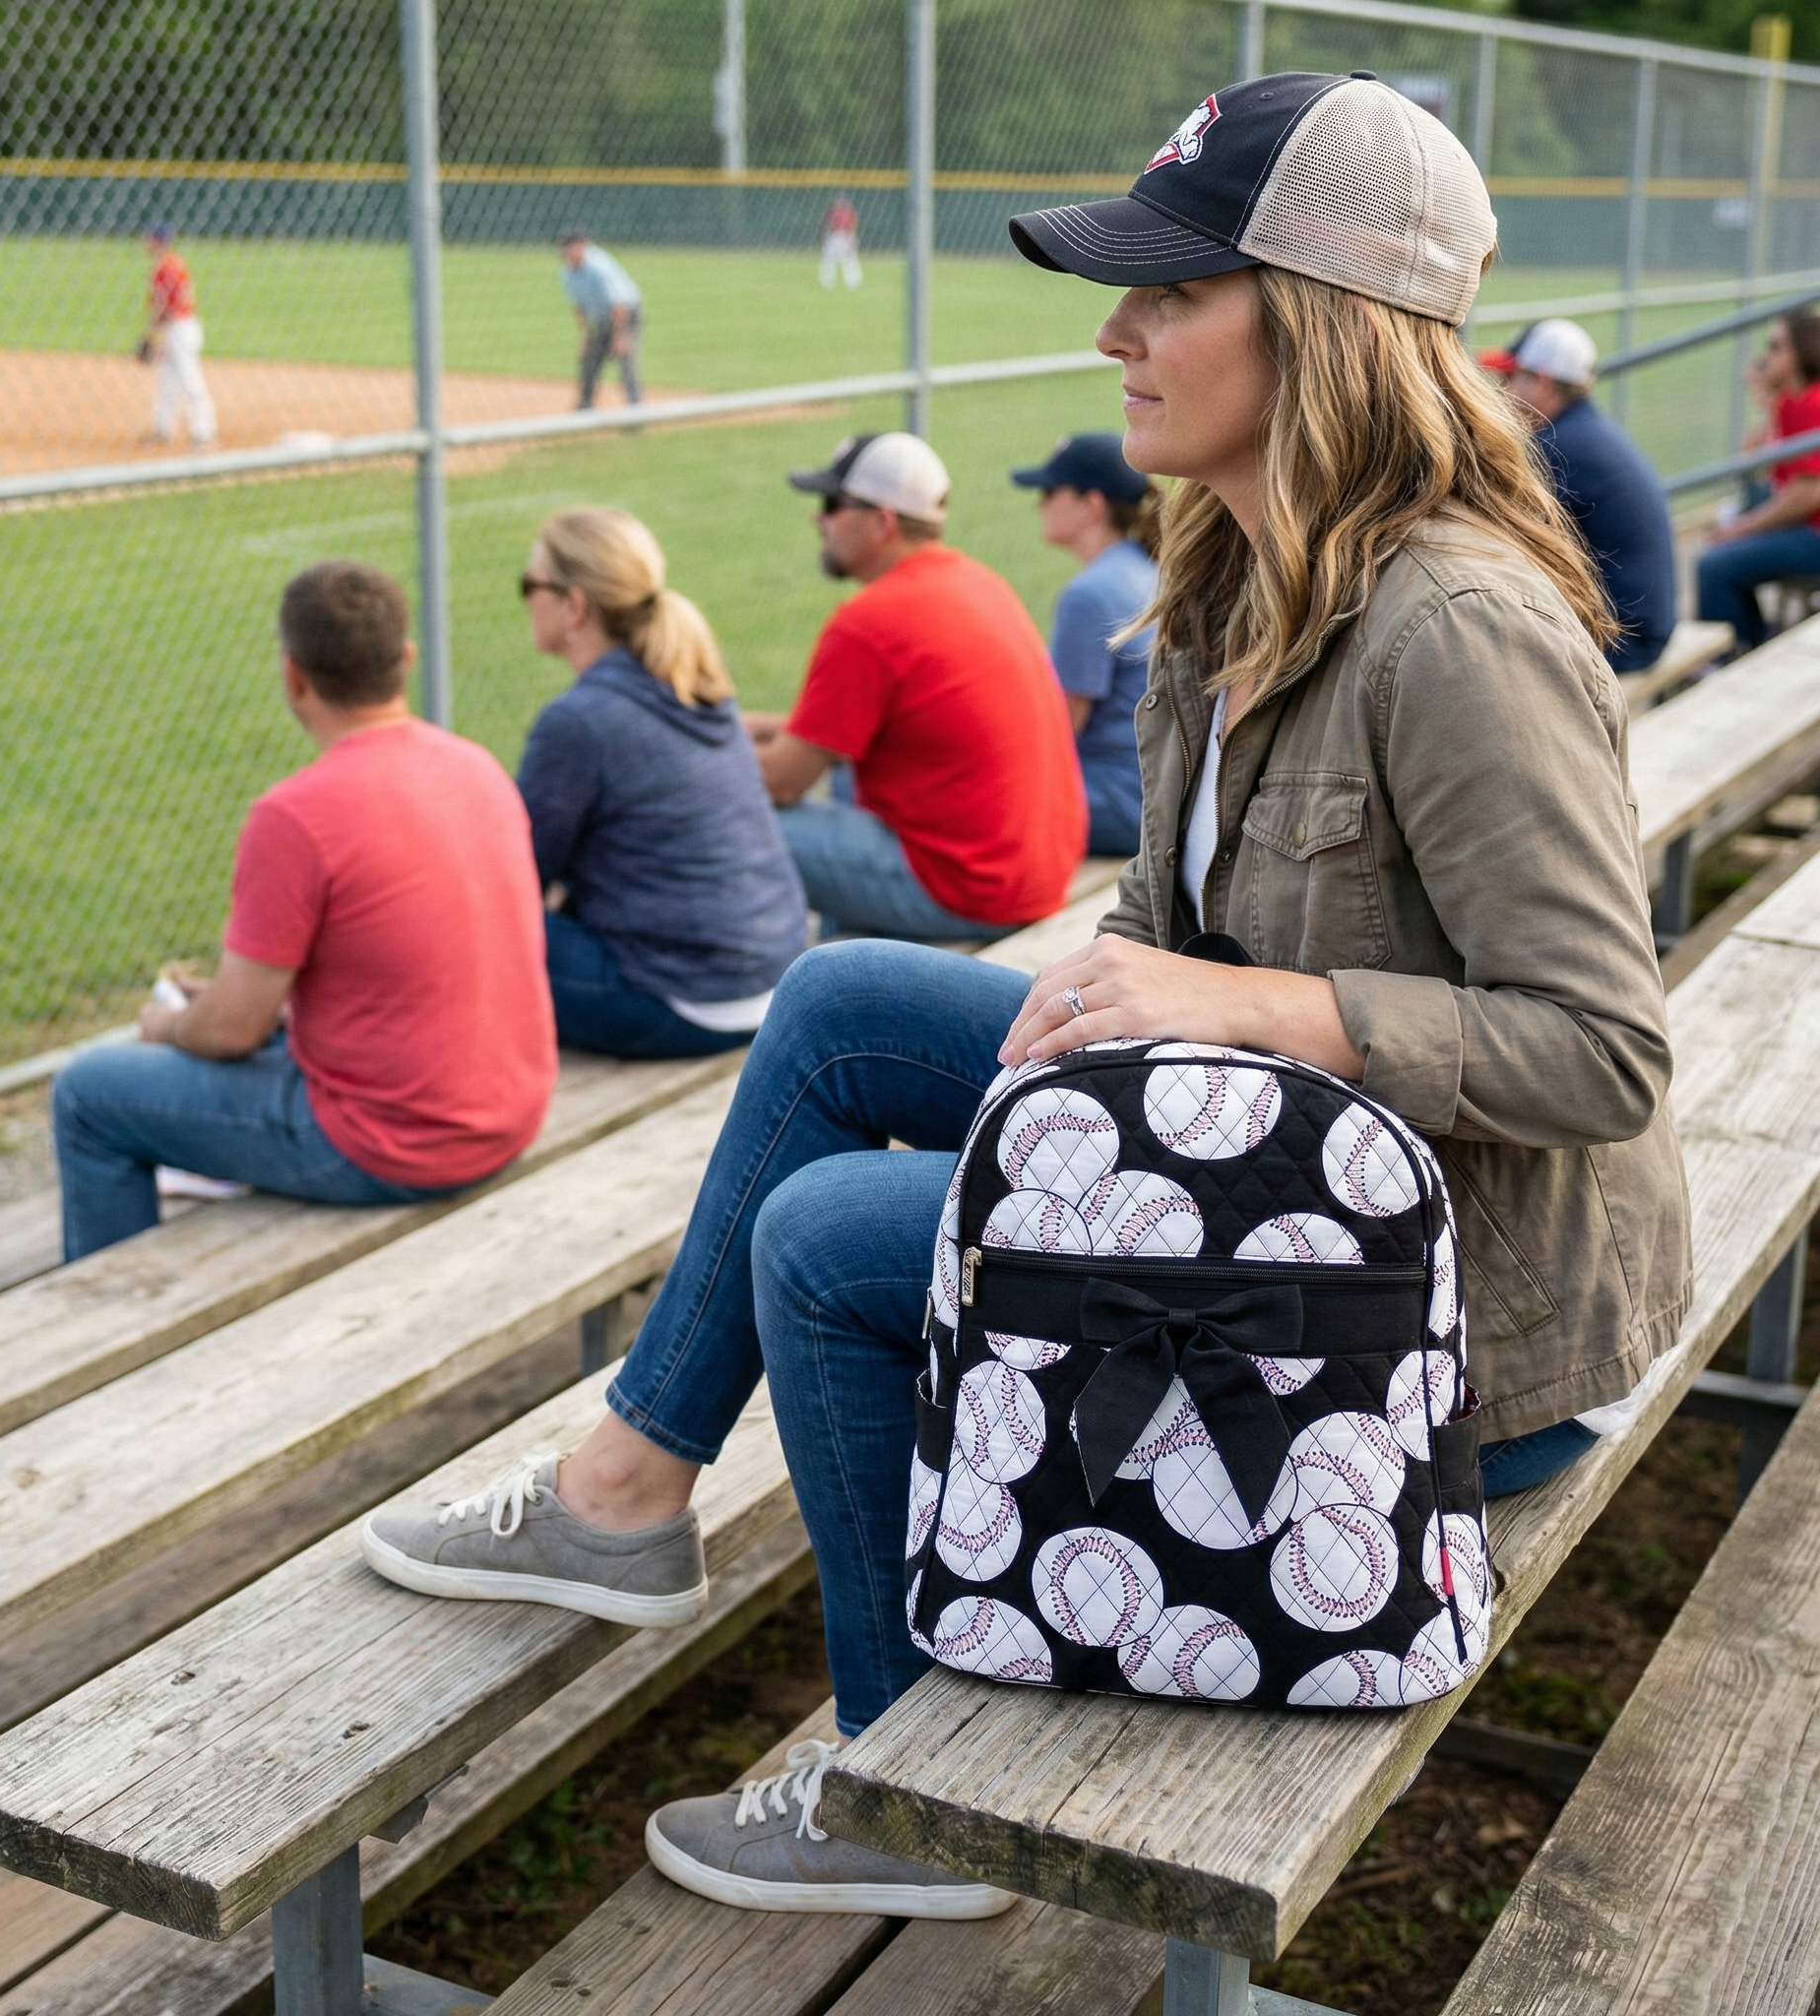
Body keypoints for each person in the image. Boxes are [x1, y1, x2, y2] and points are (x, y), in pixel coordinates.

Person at [360, 72, 1688, 1917]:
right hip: (1266, 1182)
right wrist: (1130, 1012)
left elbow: (1602, 1051)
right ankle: (625, 1490)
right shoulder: (1226, 566)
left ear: (1316, 331)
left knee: (826, 1239)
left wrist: (1252, 1011)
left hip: (1429, 1316)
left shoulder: (1454, 621)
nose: (1111, 332)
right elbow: (1167, 926)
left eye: (1166, 292)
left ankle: (912, 1792)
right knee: (835, 1010)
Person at [51, 562, 556, 1262]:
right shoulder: (476, 766)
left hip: (391, 1146)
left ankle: (104, 1334)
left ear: (294, 677)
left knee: (87, 1092)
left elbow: (230, 1030)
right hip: (509, 1115)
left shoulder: (293, 814)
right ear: (404, 661)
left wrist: (167, 1025)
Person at [742, 430, 1086, 942]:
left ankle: (721, 995)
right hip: (1038, 870)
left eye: (832, 504)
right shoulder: (978, 581)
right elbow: (833, 734)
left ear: (882, 521)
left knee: (728, 824)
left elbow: (779, 781)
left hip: (974, 890)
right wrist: (739, 725)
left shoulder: (867, 621)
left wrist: (677, 749)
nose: (819, 518)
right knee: (841, 781)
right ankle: (845, 950)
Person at [516, 507, 808, 1057]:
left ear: (575, 606)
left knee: (474, 915)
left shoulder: (577, 722)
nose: (526, 597)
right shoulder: (693, 683)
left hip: (683, 1002)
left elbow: (517, 874)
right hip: (772, 983)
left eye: (530, 584)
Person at [1478, 319, 1674, 674]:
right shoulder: (1582, 432)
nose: (1502, 392)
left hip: (1622, 642)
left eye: (1510, 379)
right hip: (1642, 629)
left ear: (1542, 382)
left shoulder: (1558, 446)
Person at [1010, 430, 1161, 853]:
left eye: (1050, 490)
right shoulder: (1143, 567)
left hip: (1117, 802)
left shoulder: (1089, 595)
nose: (1039, 503)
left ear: (1092, 505)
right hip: (1152, 796)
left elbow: (1057, 732)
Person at [1697, 307, 1820, 653]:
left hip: (1815, 533)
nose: (1767, 357)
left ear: (1801, 352)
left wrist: (1741, 529)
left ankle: (1728, 657)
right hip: (1806, 523)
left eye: (1777, 347)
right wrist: (1764, 394)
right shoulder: (1791, 401)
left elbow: (1809, 494)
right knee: (1727, 538)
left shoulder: (1813, 402)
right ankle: (1751, 643)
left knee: (1715, 565)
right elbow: (1751, 455)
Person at [139, 224, 216, 448]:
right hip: (176, 328)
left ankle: (204, 431)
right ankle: (162, 429)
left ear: (157, 241)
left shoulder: (167, 267)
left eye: (149, 238)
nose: (145, 242)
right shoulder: (170, 264)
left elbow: (167, 306)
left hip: (180, 328)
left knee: (190, 380)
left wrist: (151, 332)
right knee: (167, 381)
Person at [558, 230, 643, 410]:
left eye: (571, 250)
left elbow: (620, 303)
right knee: (590, 359)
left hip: (626, 313)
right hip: (603, 317)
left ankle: (636, 409)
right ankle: (585, 406)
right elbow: (579, 307)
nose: (567, 255)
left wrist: (620, 335)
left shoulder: (599, 267)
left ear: (582, 247)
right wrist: (586, 336)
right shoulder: (567, 271)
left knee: (624, 358)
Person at [820, 195, 862, 290]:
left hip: (845, 236)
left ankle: (854, 282)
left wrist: (851, 239)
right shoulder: (832, 212)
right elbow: (828, 226)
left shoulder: (849, 212)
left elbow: (853, 226)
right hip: (834, 237)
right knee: (829, 260)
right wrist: (827, 238)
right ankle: (827, 282)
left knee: (849, 260)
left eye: (841, 203)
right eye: (838, 202)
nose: (839, 204)